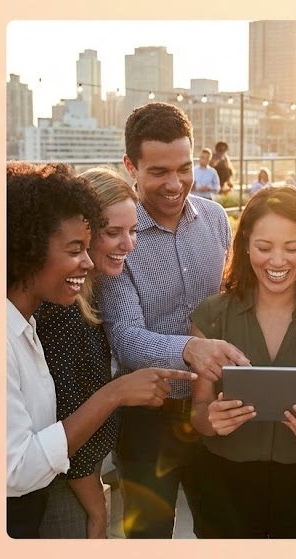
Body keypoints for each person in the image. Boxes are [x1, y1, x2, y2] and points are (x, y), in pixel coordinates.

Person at [0, 162, 194, 539]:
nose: (86, 261)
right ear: (28, 250)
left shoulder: (18, 322)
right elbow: (20, 468)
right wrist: (114, 395)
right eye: (76, 249)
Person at [100, 103, 250, 539]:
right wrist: (190, 349)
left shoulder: (217, 220)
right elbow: (125, 337)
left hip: (215, 406)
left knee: (226, 531)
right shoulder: (117, 237)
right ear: (131, 166)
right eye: (158, 171)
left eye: (183, 168)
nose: (174, 183)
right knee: (148, 537)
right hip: (148, 417)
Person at [189, 185, 296, 538]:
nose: (277, 261)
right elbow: (198, 413)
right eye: (264, 248)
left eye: (292, 248)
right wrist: (211, 420)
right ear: (246, 243)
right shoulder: (211, 316)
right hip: (224, 485)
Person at [34, 168, 140, 539]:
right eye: (114, 233)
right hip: (65, 485)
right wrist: (96, 505)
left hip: (82, 476)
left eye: (133, 230)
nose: (128, 244)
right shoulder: (63, 311)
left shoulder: (89, 293)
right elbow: (63, 417)